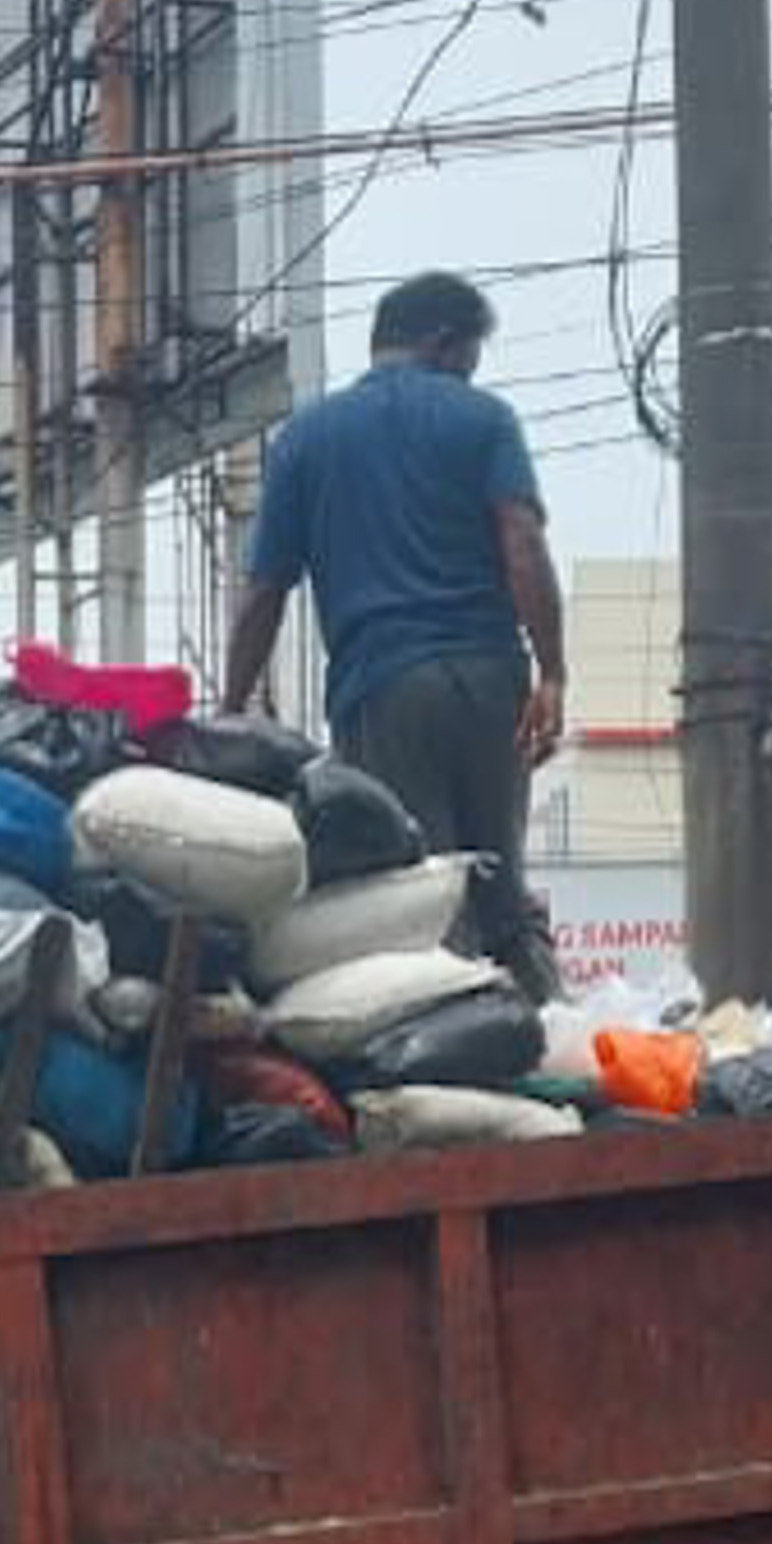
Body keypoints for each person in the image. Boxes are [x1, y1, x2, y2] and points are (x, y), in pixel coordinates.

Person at [223, 269, 565, 1000]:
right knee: (499, 883)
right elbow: (522, 542)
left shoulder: (306, 440)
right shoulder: (484, 420)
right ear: (444, 344)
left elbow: (263, 595)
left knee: (418, 890)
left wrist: (230, 704)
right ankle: (550, 1040)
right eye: (470, 357)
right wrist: (553, 673)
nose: (470, 375)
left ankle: (459, 1059)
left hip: (381, 691)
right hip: (489, 678)